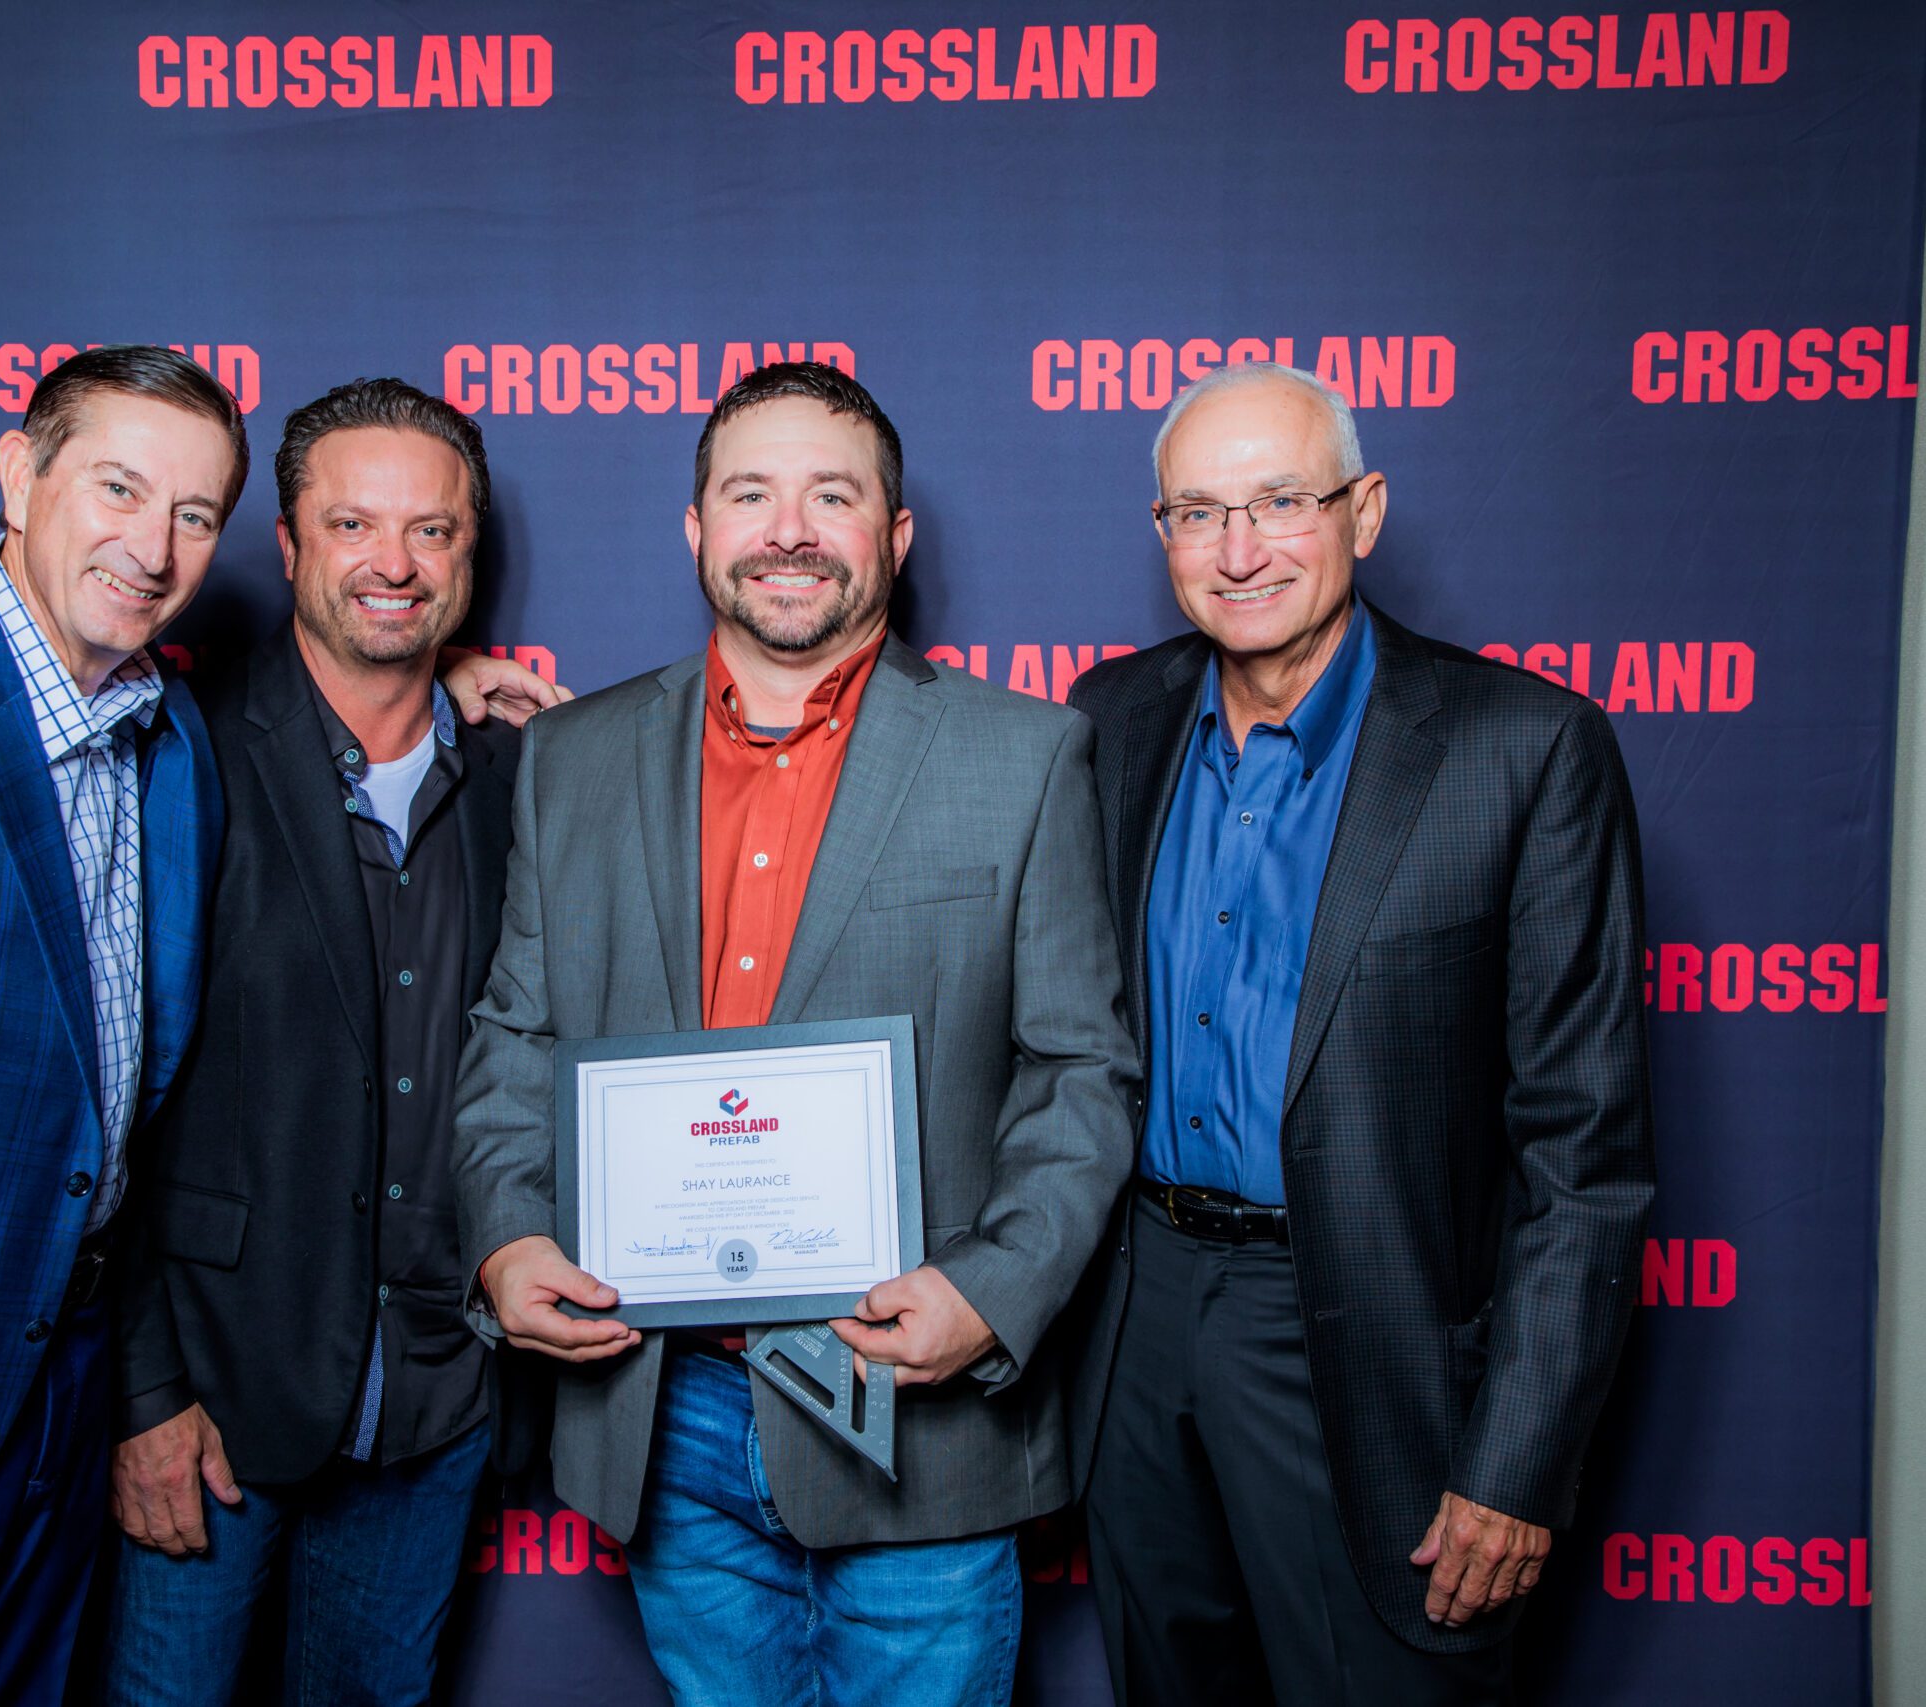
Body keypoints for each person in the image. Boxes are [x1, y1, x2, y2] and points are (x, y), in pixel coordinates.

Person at [0, 348, 560, 1707]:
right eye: (120, 488)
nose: (153, 543)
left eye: (192, 513)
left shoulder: (157, 739)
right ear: (20, 472)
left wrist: (461, 679)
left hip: (54, 1421)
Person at [452, 361, 1137, 1706]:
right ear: (696, 529)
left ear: (894, 536)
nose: (790, 529)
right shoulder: (573, 758)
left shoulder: (1025, 756)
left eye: (834, 495)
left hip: (914, 1405)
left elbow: (1082, 1074)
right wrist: (507, 1232)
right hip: (667, 1413)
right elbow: (514, 1034)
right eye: (750, 492)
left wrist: (992, 1296)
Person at [1063, 361, 1656, 1706]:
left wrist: (1515, 1464)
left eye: (1281, 500)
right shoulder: (1111, 720)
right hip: (1137, 1317)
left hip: (1370, 1336)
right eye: (1197, 513)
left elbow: (1587, 1158)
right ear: (1161, 535)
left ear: (1365, 511)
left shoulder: (1526, 748)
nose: (1239, 547)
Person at [94, 379, 535, 1705]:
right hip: (215, 1398)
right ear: (286, 547)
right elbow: (108, 1106)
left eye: (433, 532)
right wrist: (144, 1395)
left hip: (438, 1398)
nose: (394, 564)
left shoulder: (529, 775)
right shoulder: (178, 750)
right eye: (353, 525)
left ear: (471, 553)